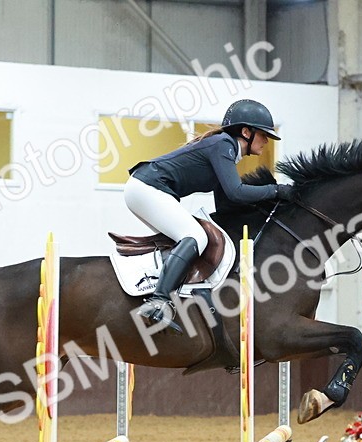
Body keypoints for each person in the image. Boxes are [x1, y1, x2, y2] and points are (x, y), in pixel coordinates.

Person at [125, 99, 296, 330]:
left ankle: (169, 291)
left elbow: (227, 207)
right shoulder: (223, 145)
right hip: (146, 188)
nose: (266, 141)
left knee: (191, 238)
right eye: (263, 134)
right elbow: (236, 192)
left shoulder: (225, 151)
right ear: (246, 132)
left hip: (145, 189)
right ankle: (159, 300)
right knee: (196, 236)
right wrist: (276, 190)